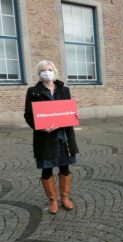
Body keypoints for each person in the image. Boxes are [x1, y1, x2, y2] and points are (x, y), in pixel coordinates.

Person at [24, 60, 79, 214]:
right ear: (39, 73)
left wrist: (74, 115)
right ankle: (52, 200)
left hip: (64, 136)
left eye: (49, 69)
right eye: (43, 70)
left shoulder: (64, 89)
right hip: (45, 137)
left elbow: (68, 109)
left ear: (54, 71)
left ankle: (65, 197)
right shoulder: (33, 91)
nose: (47, 72)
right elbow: (28, 115)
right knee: (47, 169)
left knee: (64, 167)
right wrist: (40, 126)